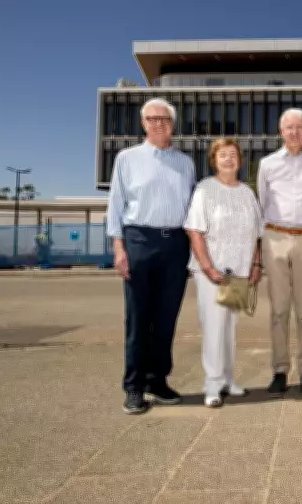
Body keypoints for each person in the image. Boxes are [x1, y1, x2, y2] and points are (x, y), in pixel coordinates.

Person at [106, 97, 195, 415]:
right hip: (139, 240)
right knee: (138, 319)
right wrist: (119, 248)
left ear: (173, 124)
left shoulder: (185, 163)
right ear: (143, 123)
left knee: (167, 318)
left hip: (175, 245)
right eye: (153, 118)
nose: (159, 123)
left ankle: (158, 380)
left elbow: (192, 210)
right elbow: (115, 204)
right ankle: (133, 386)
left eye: (165, 119)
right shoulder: (127, 158)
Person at [257, 108, 302, 398]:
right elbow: (263, 203)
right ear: (280, 131)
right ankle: (279, 370)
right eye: (288, 127)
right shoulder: (267, 164)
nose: (294, 132)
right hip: (275, 237)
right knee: (278, 310)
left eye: (299, 127)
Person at [184, 138, 264, 408]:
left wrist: (256, 264)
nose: (228, 159)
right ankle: (213, 384)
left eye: (233, 155)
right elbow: (194, 230)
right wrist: (208, 267)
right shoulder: (205, 189)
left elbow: (257, 234)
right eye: (222, 155)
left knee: (230, 326)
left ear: (240, 160)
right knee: (214, 326)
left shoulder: (247, 192)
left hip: (240, 270)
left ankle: (229, 379)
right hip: (213, 272)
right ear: (213, 160)